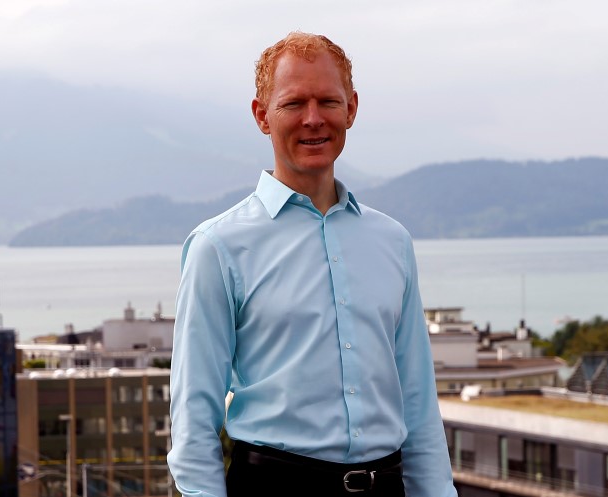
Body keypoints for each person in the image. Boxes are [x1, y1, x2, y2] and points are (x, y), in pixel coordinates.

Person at [168, 32, 457, 497]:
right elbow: (193, 419)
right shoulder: (217, 247)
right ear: (262, 115)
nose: (313, 119)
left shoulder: (393, 242)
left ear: (352, 109)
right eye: (293, 103)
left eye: (328, 101)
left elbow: (418, 404)